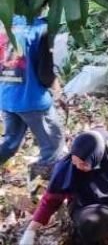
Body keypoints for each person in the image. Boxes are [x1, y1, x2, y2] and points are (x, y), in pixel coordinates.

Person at [20, 129, 108, 245]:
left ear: (96, 157)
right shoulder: (66, 166)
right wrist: (31, 231)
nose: (79, 167)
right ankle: (90, 237)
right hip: (86, 205)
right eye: (76, 162)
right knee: (95, 223)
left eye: (84, 164)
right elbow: (50, 200)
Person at [0, 15, 65, 178]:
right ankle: (43, 186)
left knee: (10, 143)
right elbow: (45, 75)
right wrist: (58, 92)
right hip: (32, 100)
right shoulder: (42, 29)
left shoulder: (5, 24)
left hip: (7, 98)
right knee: (53, 146)